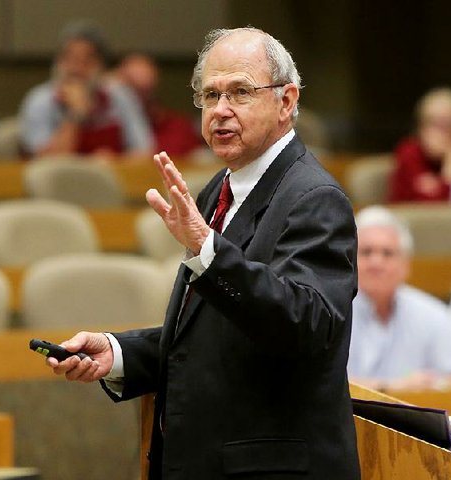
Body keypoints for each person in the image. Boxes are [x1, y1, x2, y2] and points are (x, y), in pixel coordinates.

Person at [45, 27, 360, 479]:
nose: (220, 111)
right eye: (210, 96)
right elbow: (213, 336)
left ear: (287, 102)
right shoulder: (222, 188)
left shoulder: (314, 197)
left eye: (240, 93)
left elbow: (306, 327)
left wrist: (207, 250)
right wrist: (118, 354)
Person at [348, 206, 451, 392]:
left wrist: (437, 385)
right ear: (349, 261)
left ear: (405, 265)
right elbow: (312, 382)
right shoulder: (330, 312)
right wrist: (389, 388)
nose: (377, 263)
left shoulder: (429, 312)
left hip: (408, 418)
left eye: (387, 253)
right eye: (366, 252)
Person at [19, 22, 153, 158]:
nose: (76, 69)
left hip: (112, 175)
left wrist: (115, 160)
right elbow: (44, 161)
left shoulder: (119, 96)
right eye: (69, 59)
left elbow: (145, 152)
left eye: (86, 61)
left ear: (101, 66)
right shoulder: (40, 100)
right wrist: (75, 115)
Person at [113, 53, 203, 157]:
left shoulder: (180, 127)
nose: (134, 100)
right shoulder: (108, 131)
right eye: (128, 91)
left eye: (146, 90)